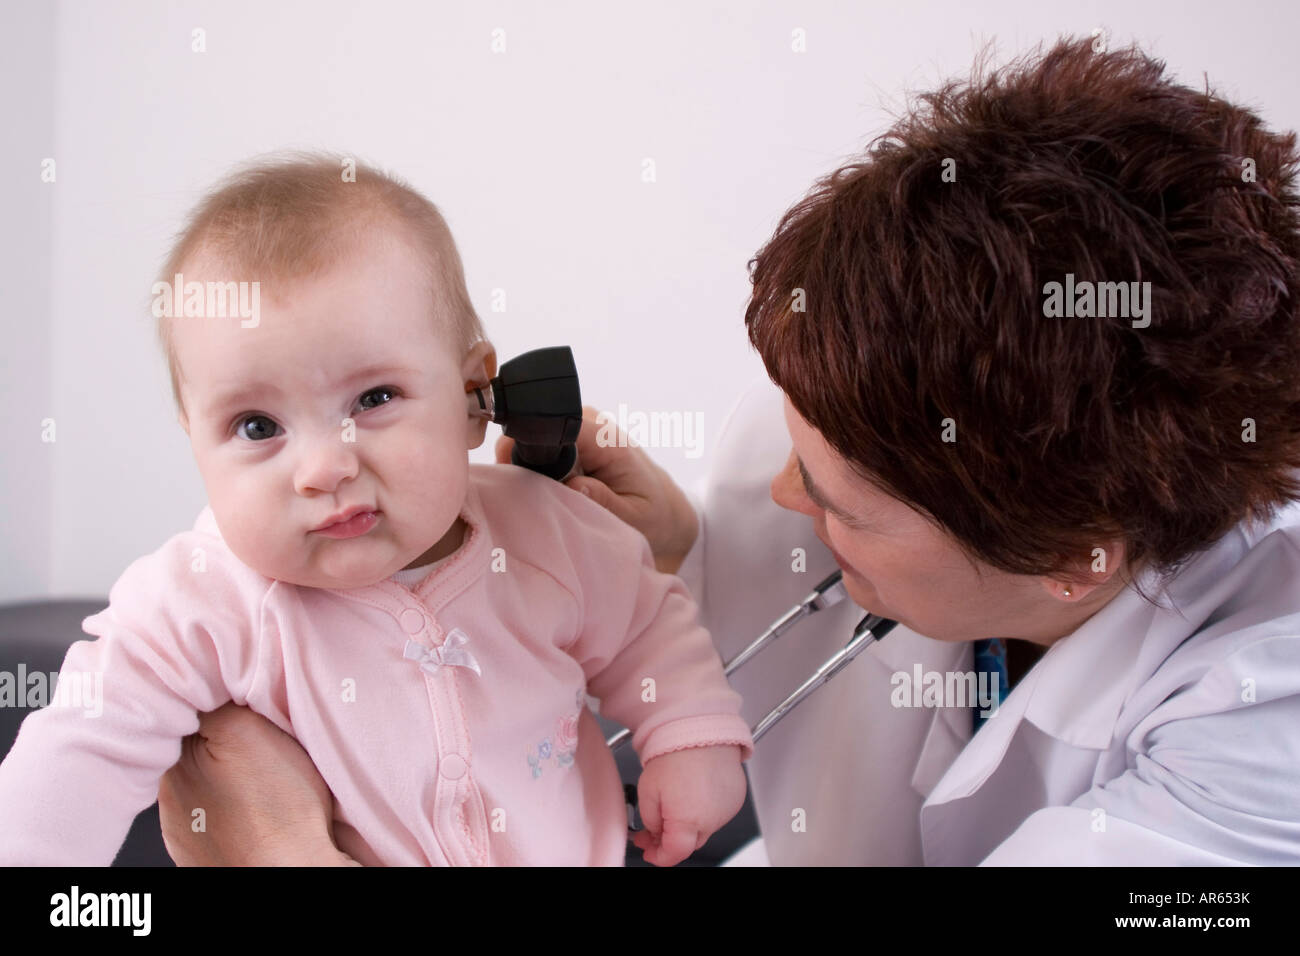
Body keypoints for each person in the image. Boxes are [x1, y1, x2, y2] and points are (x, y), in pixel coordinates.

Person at [158, 35, 1300, 865]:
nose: (783, 487)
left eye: (842, 500)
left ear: (1072, 556)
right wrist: (671, 561)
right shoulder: (836, 439)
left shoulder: (1264, 717)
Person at [0, 152, 755, 866]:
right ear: (195, 445)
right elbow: (84, 744)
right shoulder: (200, 601)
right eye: (258, 427)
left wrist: (688, 737)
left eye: (374, 399)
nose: (326, 467)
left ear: (472, 399)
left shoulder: (545, 531)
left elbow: (649, 626)